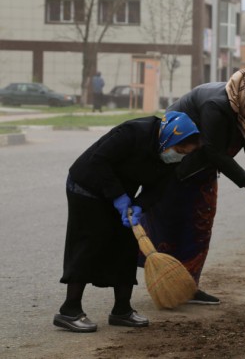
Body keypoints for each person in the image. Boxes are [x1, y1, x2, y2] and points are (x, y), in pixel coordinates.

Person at [140, 69, 245, 305]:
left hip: (205, 165)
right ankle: (162, 276)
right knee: (169, 220)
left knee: (201, 222)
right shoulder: (215, 105)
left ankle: (189, 286)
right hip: (175, 162)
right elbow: (213, 151)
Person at [55, 112, 201, 333]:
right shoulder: (134, 133)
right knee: (90, 242)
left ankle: (122, 310)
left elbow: (158, 187)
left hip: (122, 193)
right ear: (169, 138)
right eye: (179, 151)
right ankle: (69, 310)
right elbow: (99, 160)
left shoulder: (168, 153)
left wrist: (140, 205)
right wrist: (118, 196)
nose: (178, 157)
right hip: (87, 186)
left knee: (127, 245)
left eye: (184, 154)